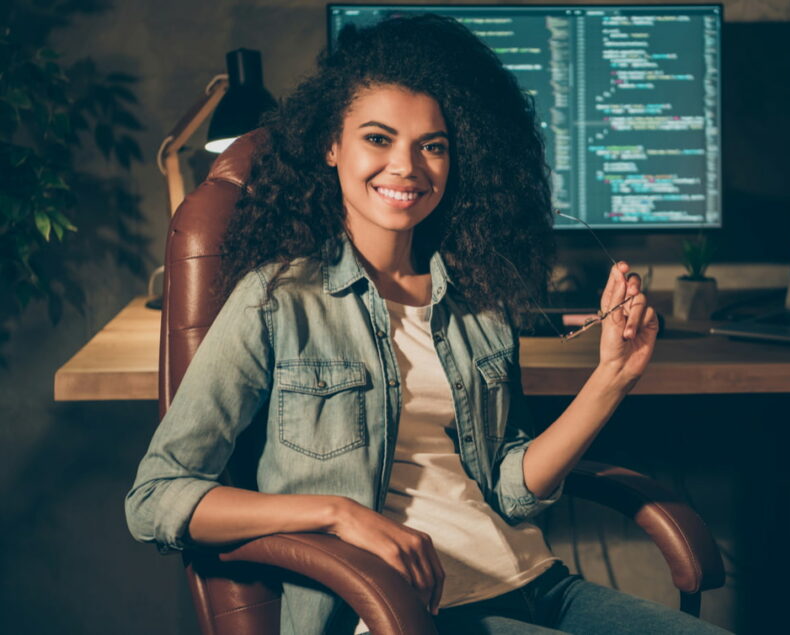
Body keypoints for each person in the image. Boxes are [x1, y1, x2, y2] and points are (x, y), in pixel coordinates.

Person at [126, 14, 728, 635]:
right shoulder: (277, 302)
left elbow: (511, 490)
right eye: (379, 139)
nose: (407, 166)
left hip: (538, 583)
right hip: (401, 612)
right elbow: (155, 497)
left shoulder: (478, 304)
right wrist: (337, 514)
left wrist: (611, 379)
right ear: (332, 146)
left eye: (431, 145)